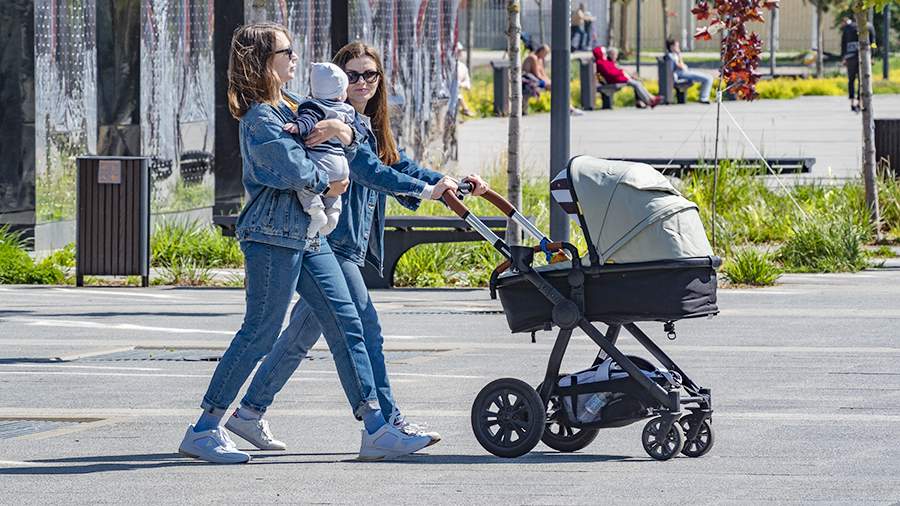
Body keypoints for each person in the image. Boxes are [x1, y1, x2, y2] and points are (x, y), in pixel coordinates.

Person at [178, 23, 433, 464]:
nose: (296, 57)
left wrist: (343, 131)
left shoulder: (295, 106)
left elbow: (346, 137)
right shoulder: (260, 118)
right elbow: (297, 169)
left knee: (347, 322)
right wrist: (329, 178)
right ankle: (204, 429)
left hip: (311, 236)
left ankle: (376, 428)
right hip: (273, 237)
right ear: (264, 61)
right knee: (261, 332)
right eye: (286, 51)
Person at [223, 41, 490, 453]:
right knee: (362, 328)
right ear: (336, 80)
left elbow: (396, 165)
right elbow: (370, 172)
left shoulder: (361, 124)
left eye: (370, 75)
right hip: (332, 242)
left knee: (298, 337)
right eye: (353, 75)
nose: (362, 82)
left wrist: (445, 181)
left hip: (339, 244)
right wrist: (427, 190)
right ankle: (385, 423)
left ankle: (249, 413)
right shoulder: (326, 121)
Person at [283, 62, 356, 237]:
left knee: (305, 184)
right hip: (341, 164)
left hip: (322, 161)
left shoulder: (313, 106)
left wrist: (297, 126)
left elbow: (307, 120)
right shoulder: (346, 109)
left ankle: (315, 212)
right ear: (340, 95)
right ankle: (333, 214)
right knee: (334, 194)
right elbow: (356, 135)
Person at [523, 45, 583, 115]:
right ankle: (568, 108)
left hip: (537, 81)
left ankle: (569, 107)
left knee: (559, 86)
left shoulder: (540, 59)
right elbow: (537, 75)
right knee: (555, 88)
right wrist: (548, 83)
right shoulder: (533, 58)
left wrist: (550, 81)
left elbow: (543, 74)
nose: (545, 55)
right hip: (530, 81)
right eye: (545, 53)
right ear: (540, 51)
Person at [593, 46, 662, 108]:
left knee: (637, 83)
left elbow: (613, 70)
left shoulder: (604, 62)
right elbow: (609, 73)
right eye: (604, 53)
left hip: (617, 78)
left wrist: (623, 72)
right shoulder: (601, 63)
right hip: (615, 80)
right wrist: (621, 72)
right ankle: (649, 101)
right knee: (636, 84)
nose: (605, 54)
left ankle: (651, 99)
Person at [841, 17, 873, 113]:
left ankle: (852, 102)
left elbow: (843, 44)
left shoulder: (847, 28)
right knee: (861, 80)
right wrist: (872, 55)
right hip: (864, 56)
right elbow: (873, 42)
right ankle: (860, 102)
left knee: (851, 80)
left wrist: (843, 57)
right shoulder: (869, 26)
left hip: (850, 56)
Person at [666, 39, 712, 104]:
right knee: (708, 78)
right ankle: (704, 98)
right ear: (671, 47)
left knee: (708, 78)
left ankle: (704, 98)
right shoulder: (671, 56)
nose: (678, 48)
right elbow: (680, 66)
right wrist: (679, 54)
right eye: (677, 46)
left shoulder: (673, 55)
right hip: (681, 74)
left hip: (683, 73)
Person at [455, 42, 474, 117]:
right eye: (458, 50)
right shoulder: (445, 66)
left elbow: (468, 85)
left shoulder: (462, 67)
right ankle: (465, 109)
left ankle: (464, 110)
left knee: (457, 95)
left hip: (456, 95)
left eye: (460, 51)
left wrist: (460, 84)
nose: (459, 53)